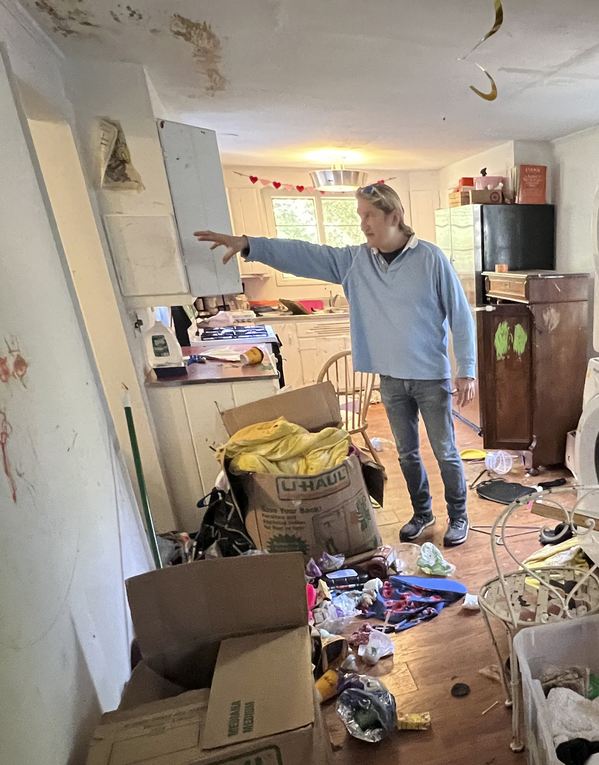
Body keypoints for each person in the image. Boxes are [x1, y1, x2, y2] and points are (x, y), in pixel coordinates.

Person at [194, 184, 477, 547]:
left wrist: (466, 369)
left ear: (394, 217)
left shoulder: (431, 259)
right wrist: (250, 244)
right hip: (389, 378)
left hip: (429, 377)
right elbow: (306, 254)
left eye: (369, 216)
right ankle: (422, 514)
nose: (363, 225)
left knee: (446, 452)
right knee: (407, 454)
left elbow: (461, 316)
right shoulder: (356, 261)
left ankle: (459, 515)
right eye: (360, 216)